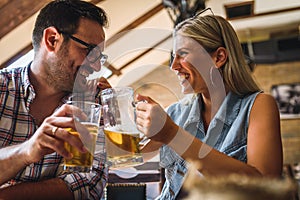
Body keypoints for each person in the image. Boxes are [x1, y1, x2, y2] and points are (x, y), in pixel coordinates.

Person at [135, 9, 283, 199]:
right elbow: (130, 159)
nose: (173, 66)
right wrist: (108, 109)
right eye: (173, 56)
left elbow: (265, 188)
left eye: (183, 54)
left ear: (219, 58)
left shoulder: (258, 106)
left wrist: (172, 134)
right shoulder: (175, 112)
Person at [0, 1, 110, 199]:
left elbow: (86, 186)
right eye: (89, 51)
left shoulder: (95, 102)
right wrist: (27, 151)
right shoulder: (2, 88)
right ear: (52, 39)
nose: (95, 68)